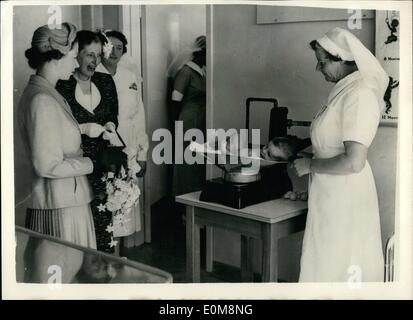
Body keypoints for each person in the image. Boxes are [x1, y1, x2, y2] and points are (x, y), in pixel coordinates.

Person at [292, 27, 389, 282]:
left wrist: (310, 165)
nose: (318, 69)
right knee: (326, 262)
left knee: (340, 263)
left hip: (346, 196)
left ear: (342, 60)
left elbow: (354, 161)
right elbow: (331, 142)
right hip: (330, 193)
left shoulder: (360, 94)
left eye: (322, 63)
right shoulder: (344, 90)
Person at [18, 23, 96, 282]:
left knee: (68, 278)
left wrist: (85, 129)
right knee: (62, 280)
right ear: (56, 56)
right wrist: (92, 163)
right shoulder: (42, 99)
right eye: (74, 57)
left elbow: (54, 134)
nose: (76, 65)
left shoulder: (45, 92)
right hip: (60, 206)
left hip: (64, 200)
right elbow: (46, 165)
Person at [56, 30, 120, 253]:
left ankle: (104, 273)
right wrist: (83, 128)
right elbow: (57, 127)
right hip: (75, 167)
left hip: (102, 166)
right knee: (79, 230)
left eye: (98, 55)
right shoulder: (61, 85)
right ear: (77, 55)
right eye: (89, 55)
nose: (95, 61)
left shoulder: (105, 81)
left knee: (103, 223)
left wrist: (111, 126)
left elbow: (113, 114)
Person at [96, 30, 148, 243]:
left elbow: (139, 115)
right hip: (105, 145)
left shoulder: (129, 76)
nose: (115, 52)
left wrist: (143, 153)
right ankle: (107, 258)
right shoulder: (94, 74)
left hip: (130, 143)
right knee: (107, 200)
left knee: (125, 200)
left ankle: (120, 257)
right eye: (110, 47)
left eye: (119, 48)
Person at [169, 36, 207, 196]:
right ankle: (183, 198)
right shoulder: (185, 71)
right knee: (187, 160)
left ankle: (194, 197)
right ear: (200, 52)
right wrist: (178, 126)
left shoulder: (201, 72)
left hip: (200, 120)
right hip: (188, 120)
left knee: (196, 160)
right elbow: (175, 101)